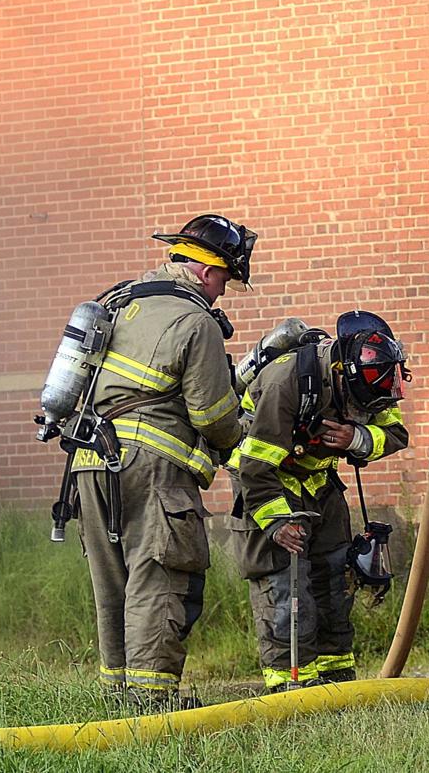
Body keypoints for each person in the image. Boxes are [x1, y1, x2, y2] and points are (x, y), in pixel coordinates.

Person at [70, 214, 252, 707]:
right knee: (159, 574)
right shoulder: (195, 321)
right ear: (207, 270)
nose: (223, 291)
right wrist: (241, 429)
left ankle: (116, 698)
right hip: (151, 467)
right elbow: (213, 416)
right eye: (225, 279)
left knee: (113, 580)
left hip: (88, 462)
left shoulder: (121, 301)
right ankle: (151, 708)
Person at [229, 311, 409, 692]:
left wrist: (355, 437)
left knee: (334, 578)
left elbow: (395, 433)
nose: (364, 411)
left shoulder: (374, 378)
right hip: (268, 481)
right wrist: (277, 523)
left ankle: (336, 678)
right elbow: (254, 466)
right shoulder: (285, 383)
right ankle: (289, 689)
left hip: (319, 482)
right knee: (285, 588)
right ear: (342, 373)